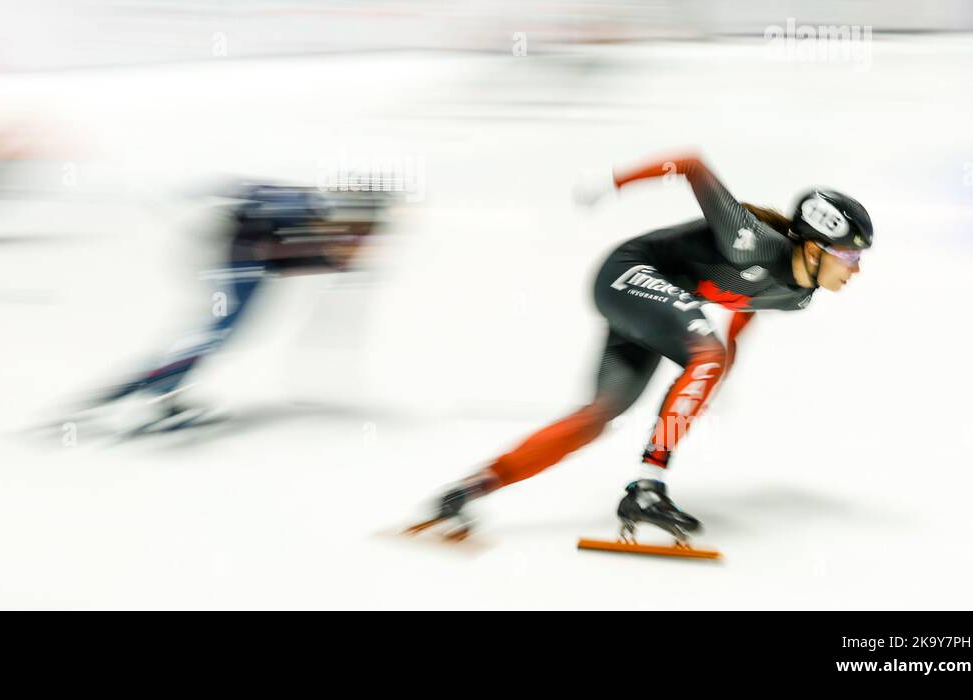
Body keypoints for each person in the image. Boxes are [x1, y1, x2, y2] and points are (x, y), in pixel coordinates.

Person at [423, 153, 873, 542]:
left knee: (598, 416)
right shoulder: (750, 238)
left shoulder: (798, 297)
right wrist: (612, 182)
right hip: (627, 272)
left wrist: (728, 355)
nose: (855, 270)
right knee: (707, 355)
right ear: (815, 249)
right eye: (850, 256)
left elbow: (749, 301)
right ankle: (647, 489)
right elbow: (692, 164)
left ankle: (468, 490)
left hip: (650, 305)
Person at [76, 182, 387, 434]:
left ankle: (153, 382)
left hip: (251, 258)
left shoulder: (333, 221)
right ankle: (157, 385)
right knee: (222, 328)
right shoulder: (301, 208)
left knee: (223, 330)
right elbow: (246, 202)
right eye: (359, 229)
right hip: (240, 256)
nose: (361, 239)